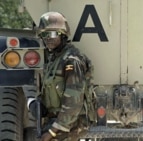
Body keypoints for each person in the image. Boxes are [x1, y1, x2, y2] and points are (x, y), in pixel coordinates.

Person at [27, 12, 95, 141]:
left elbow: (73, 105)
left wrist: (52, 132)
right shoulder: (54, 58)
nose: (48, 38)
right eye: (44, 34)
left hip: (71, 124)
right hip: (58, 122)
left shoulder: (71, 61)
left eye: (52, 34)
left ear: (62, 35)